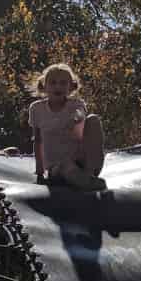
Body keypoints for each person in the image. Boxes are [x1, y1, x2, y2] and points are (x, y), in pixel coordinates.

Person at [28, 63, 107, 192]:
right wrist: (39, 172)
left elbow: (81, 112)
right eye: (53, 83)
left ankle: (89, 174)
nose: (58, 86)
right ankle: (85, 182)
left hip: (82, 161)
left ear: (71, 87)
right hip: (57, 167)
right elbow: (37, 140)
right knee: (67, 168)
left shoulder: (76, 104)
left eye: (63, 83)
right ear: (44, 85)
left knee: (93, 120)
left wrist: (75, 118)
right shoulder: (36, 108)